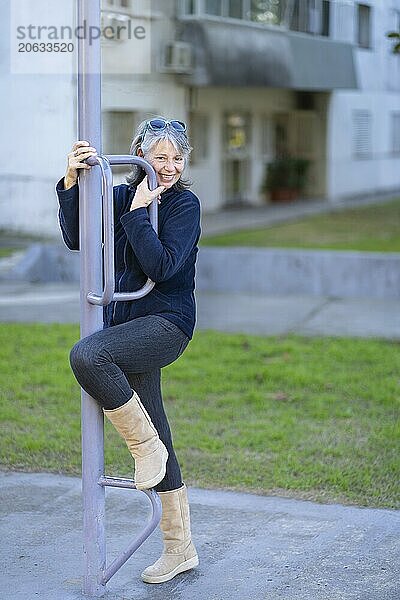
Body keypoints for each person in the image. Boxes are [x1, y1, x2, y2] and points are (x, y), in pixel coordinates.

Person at [55, 117, 201, 584]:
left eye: (178, 158)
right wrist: (71, 181)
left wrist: (140, 214)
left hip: (166, 323)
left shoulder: (183, 205)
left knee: (87, 356)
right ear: (140, 155)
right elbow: (77, 237)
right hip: (128, 326)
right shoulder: (119, 196)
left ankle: (145, 450)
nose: (170, 166)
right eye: (160, 157)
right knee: (158, 426)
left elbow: (163, 265)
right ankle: (181, 548)